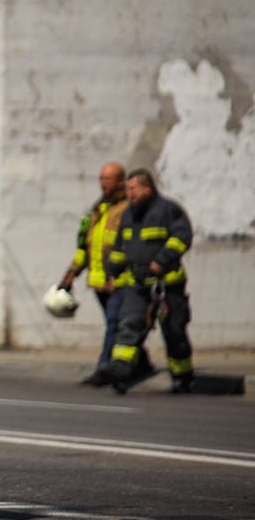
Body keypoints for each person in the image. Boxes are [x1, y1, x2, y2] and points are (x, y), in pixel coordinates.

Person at [104, 168, 195, 393]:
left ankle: (182, 376)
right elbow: (119, 247)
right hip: (136, 284)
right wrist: (112, 273)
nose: (129, 194)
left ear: (147, 188)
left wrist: (162, 260)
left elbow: (183, 237)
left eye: (132, 189)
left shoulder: (168, 210)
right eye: (127, 189)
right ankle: (120, 373)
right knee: (128, 326)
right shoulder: (128, 215)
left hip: (167, 284)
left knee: (174, 332)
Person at [60, 162, 137, 385]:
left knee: (115, 323)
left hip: (120, 281)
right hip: (99, 281)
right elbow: (85, 246)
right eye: (101, 178)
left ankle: (104, 369)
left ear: (120, 181)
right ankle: (139, 363)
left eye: (108, 179)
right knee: (116, 324)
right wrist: (71, 273)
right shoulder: (98, 209)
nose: (103, 183)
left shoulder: (127, 210)